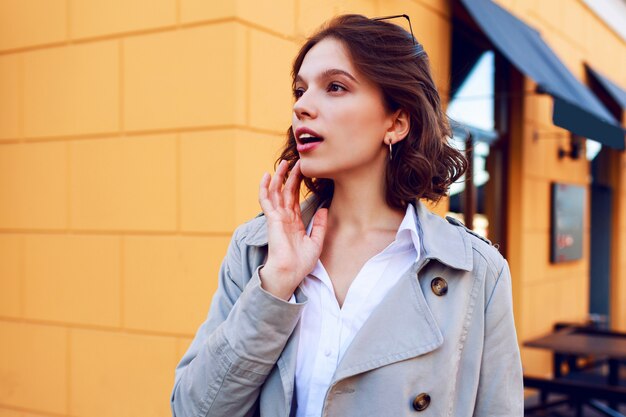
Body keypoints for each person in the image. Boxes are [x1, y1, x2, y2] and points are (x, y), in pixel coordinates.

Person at [171, 14, 523, 417]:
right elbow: (194, 409)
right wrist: (275, 286)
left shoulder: (476, 274)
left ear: (396, 122)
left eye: (335, 87)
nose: (302, 106)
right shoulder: (258, 251)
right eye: (300, 90)